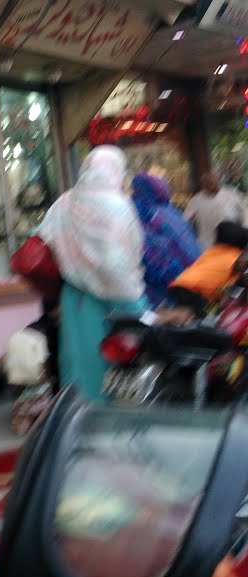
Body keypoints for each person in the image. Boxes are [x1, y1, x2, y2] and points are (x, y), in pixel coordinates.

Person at [37, 146, 151, 399]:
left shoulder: (64, 203)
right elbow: (129, 252)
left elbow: (43, 239)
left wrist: (75, 263)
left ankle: (79, 420)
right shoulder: (119, 206)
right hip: (119, 297)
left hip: (74, 297)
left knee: (78, 361)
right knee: (123, 364)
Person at [131, 173, 201, 308]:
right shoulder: (172, 212)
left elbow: (150, 254)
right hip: (195, 279)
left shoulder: (144, 214)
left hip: (172, 288)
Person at [168, 221, 248, 315]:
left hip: (181, 285)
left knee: (208, 313)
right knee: (209, 317)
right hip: (192, 291)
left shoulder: (218, 251)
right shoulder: (234, 258)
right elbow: (241, 276)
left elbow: (223, 288)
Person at [184, 172, 248, 250]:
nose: (213, 186)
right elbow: (186, 219)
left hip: (233, 240)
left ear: (219, 182)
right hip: (208, 243)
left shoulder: (231, 193)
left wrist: (245, 226)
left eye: (215, 183)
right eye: (209, 184)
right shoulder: (195, 200)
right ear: (203, 185)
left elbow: (245, 208)